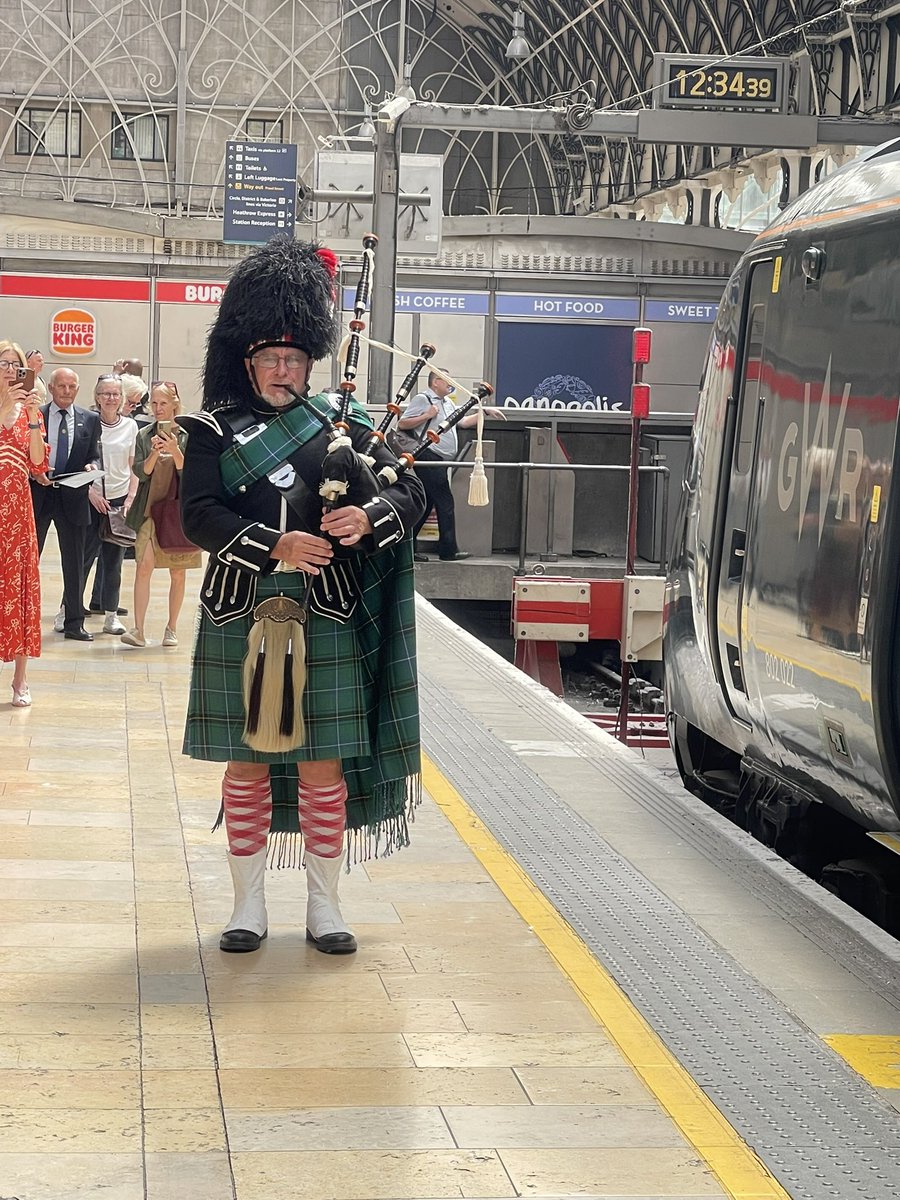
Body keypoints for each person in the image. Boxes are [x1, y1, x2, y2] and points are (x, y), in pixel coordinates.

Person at [178, 235, 426, 956]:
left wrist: (368, 518)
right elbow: (198, 515)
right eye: (270, 360)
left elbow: (412, 492)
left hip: (327, 613)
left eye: (294, 360)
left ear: (310, 361)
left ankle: (325, 906)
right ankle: (247, 905)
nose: (283, 371)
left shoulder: (341, 428)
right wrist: (276, 543)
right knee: (246, 763)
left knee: (322, 764)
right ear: (246, 361)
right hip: (242, 608)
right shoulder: (210, 431)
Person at [122, 381, 200, 648]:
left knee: (177, 572)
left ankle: (172, 627)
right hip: (148, 510)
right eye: (153, 403)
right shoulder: (144, 434)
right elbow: (141, 473)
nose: (157, 408)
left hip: (178, 510)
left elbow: (189, 473)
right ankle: (138, 629)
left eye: (163, 403)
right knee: (143, 567)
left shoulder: (189, 435)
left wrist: (175, 450)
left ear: (175, 403)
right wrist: (155, 453)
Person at [398, 368, 505, 561]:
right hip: (428, 455)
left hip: (440, 459)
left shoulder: (447, 402)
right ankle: (448, 550)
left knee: (427, 502)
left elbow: (462, 422)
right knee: (445, 502)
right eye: (447, 379)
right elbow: (403, 423)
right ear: (435, 382)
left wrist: (485, 411)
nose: (451, 383)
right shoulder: (424, 399)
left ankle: (406, 549)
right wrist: (427, 415)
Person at [30, 367, 101, 642]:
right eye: (62, 386)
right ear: (50, 387)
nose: (67, 391)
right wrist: (35, 471)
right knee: (28, 560)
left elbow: (94, 455)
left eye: (72, 387)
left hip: (72, 495)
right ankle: (22, 618)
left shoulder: (90, 419)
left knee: (74, 562)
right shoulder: (36, 416)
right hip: (39, 493)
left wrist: (91, 466)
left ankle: (74, 622)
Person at [0, 341, 49, 706]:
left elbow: (37, 463)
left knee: (19, 587)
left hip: (17, 511)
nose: (9, 370)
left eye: (15, 365)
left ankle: (20, 680)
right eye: (3, 364)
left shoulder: (30, 411)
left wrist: (31, 417)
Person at [82, 375, 138, 635]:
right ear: (97, 397)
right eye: (105, 394)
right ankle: (68, 610)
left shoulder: (131, 426)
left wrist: (130, 498)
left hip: (119, 502)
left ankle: (111, 616)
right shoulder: (88, 423)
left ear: (122, 398)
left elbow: (133, 465)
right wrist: (90, 493)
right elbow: (79, 463)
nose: (111, 398)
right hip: (93, 499)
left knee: (114, 562)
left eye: (115, 394)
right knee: (82, 559)